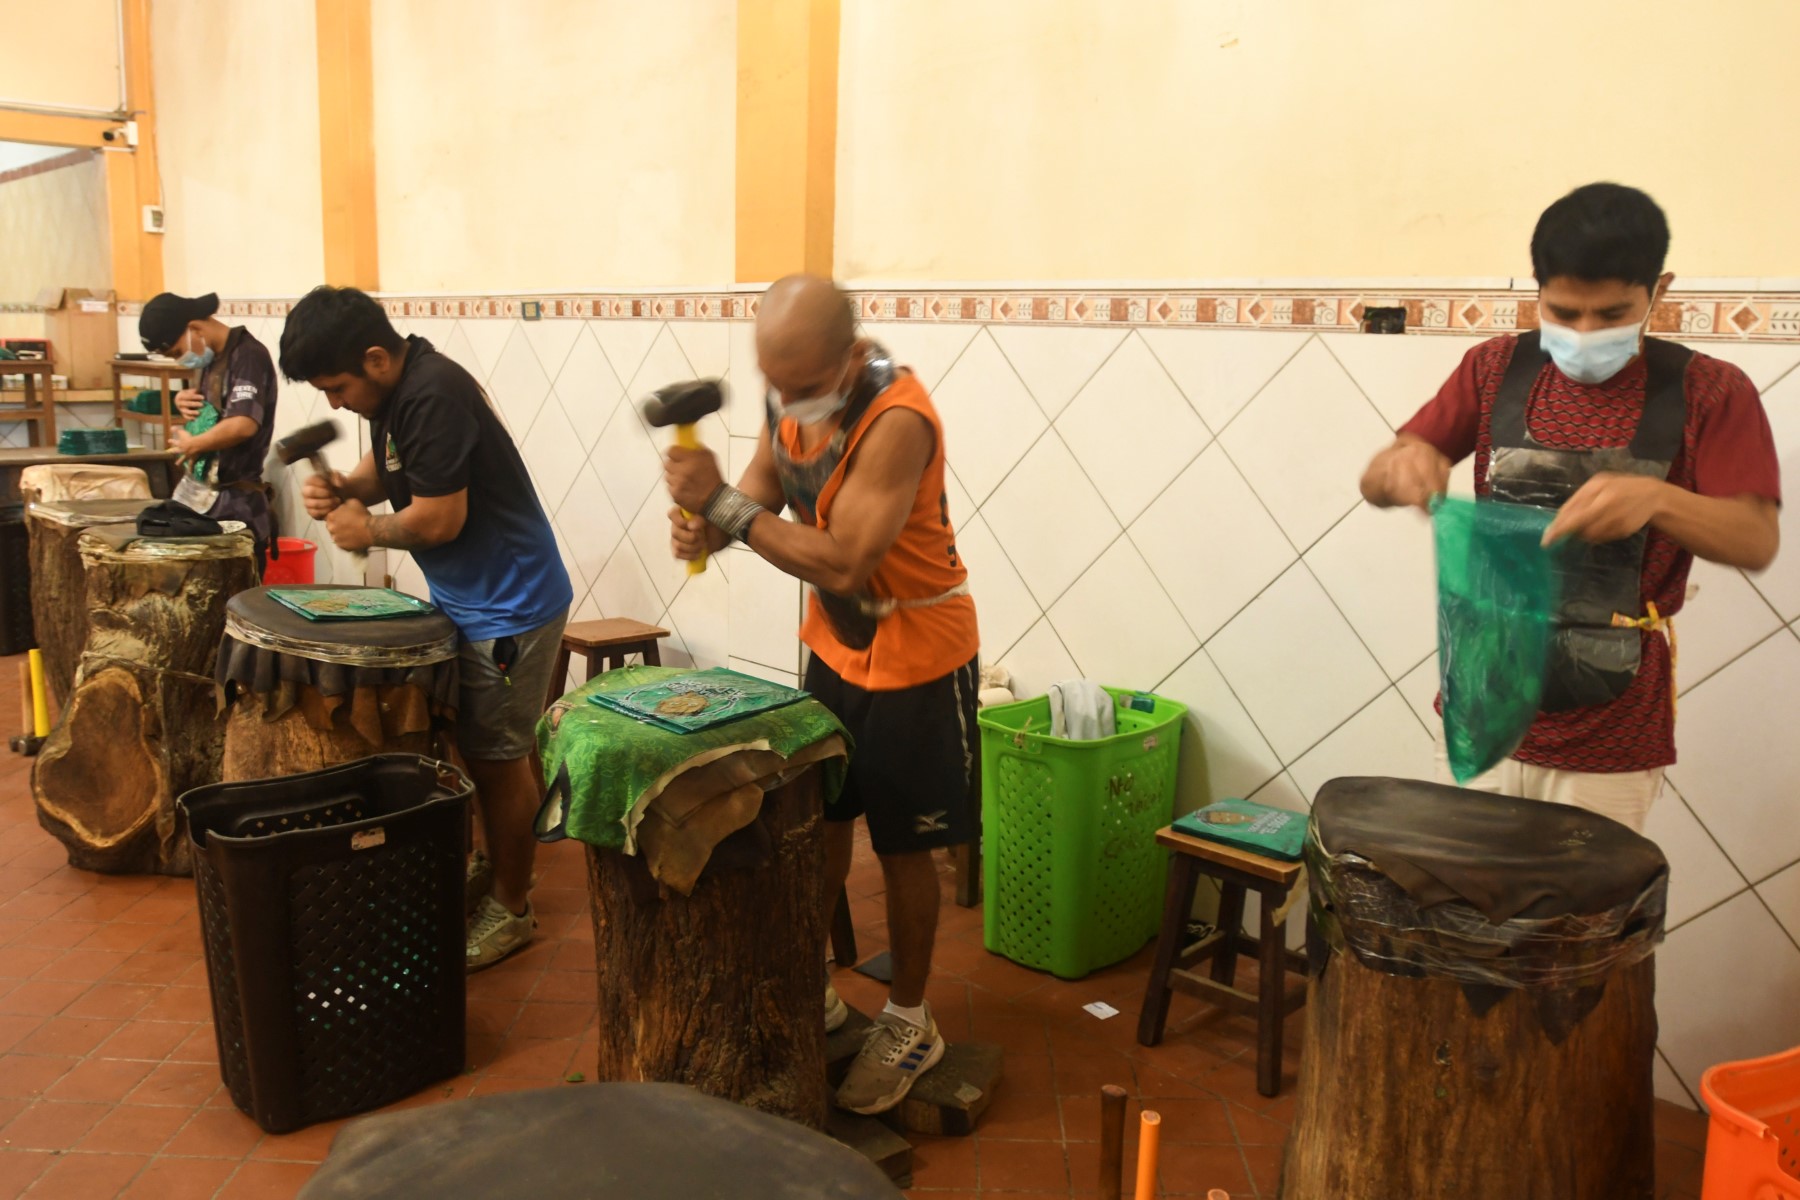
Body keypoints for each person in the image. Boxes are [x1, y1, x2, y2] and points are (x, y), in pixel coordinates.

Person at [1360, 183, 1781, 831]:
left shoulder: (1711, 392)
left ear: (1658, 292)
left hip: (1611, 730)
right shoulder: (1492, 367)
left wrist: (1659, 499)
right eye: (1563, 312)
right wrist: (1401, 468)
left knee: (1578, 926)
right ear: (1537, 292)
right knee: (1464, 909)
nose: (1584, 333)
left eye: (1612, 315)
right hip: (1485, 700)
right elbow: (1377, 479)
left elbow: (1756, 539)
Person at [663, 274, 980, 1115]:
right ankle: (816, 988)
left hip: (918, 655)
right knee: (821, 823)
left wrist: (722, 506)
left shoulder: (896, 422)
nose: (786, 400)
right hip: (837, 647)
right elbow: (760, 503)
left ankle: (911, 1020)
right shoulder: (791, 405)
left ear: (847, 357)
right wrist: (707, 527)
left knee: (907, 850)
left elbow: (843, 559)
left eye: (802, 386)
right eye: (774, 382)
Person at [278, 286, 573, 970]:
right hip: (479, 599)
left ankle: (512, 907)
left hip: (510, 605)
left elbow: (441, 519)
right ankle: (509, 866)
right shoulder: (399, 389)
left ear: (376, 358)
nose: (333, 403)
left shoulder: (433, 394)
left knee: (496, 760)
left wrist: (366, 528)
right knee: (490, 751)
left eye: (337, 386)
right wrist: (346, 490)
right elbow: (390, 471)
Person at [137, 292, 278, 571]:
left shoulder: (248, 356)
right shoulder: (210, 359)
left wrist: (195, 444)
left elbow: (243, 424)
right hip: (201, 501)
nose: (181, 361)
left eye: (178, 353)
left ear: (196, 329)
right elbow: (215, 415)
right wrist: (183, 405)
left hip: (236, 508)